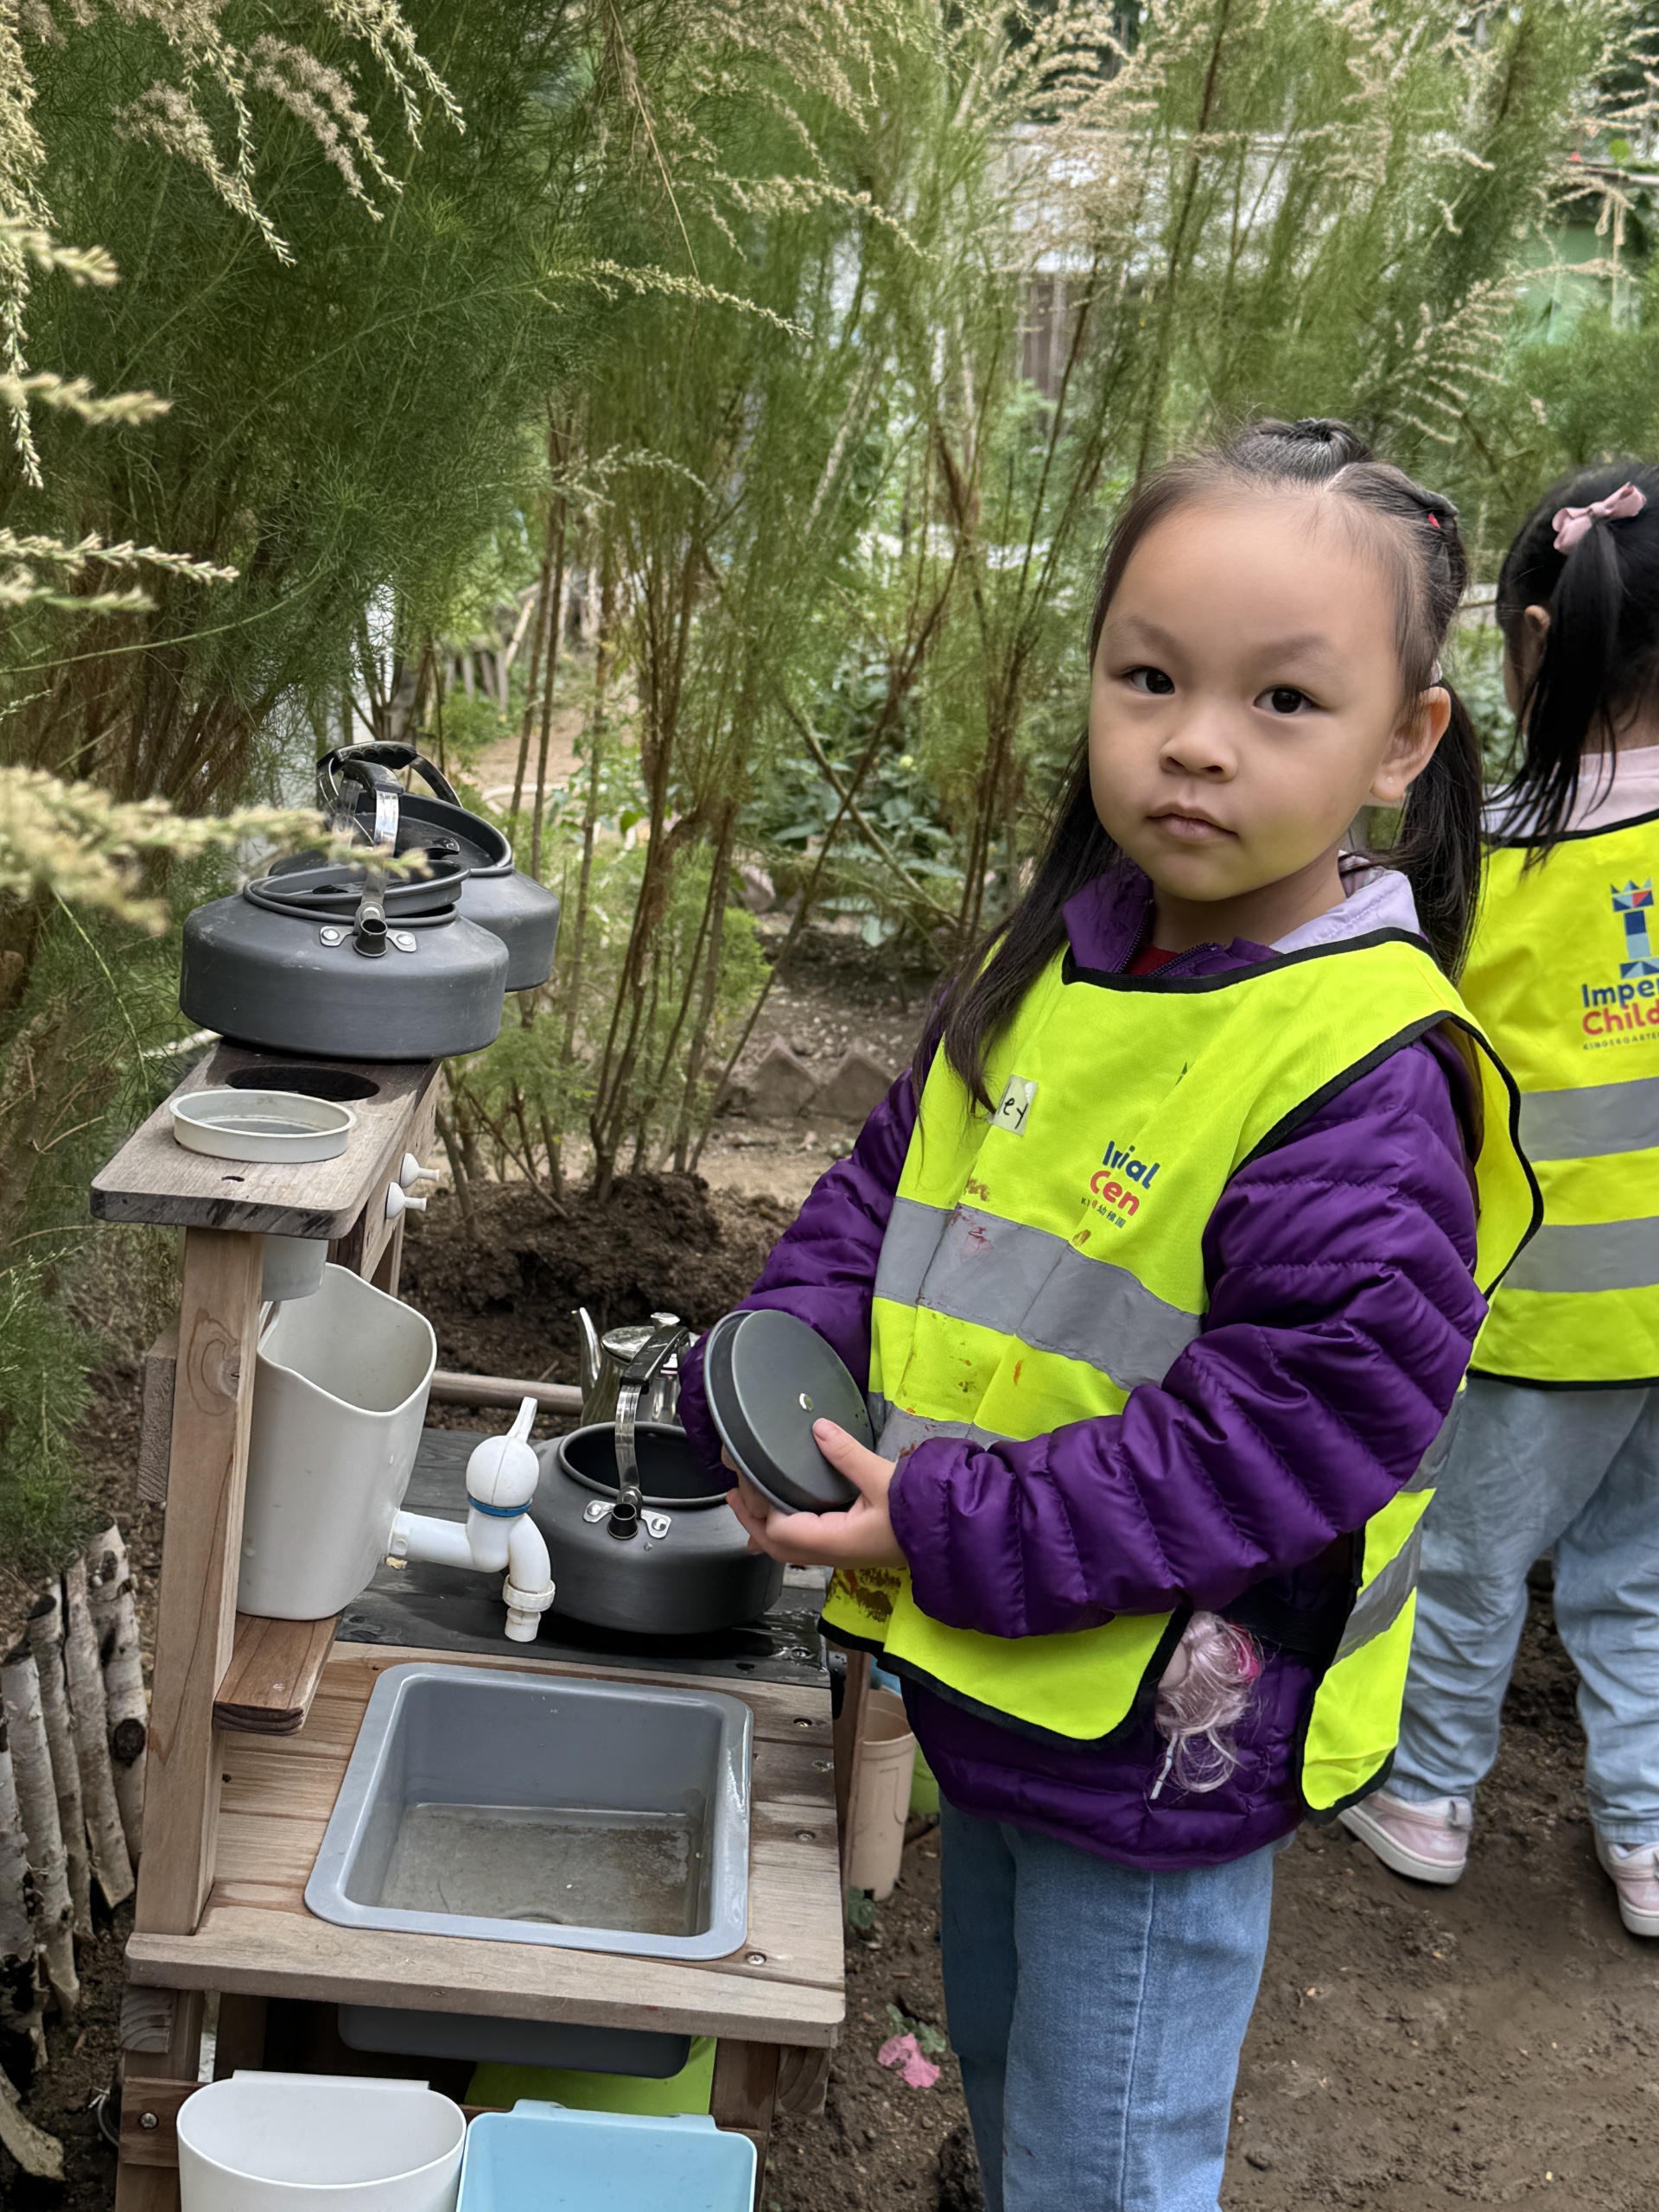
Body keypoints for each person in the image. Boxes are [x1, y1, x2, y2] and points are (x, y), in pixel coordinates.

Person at [677, 418, 1539, 2212]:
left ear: (1405, 740)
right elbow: (878, 1204)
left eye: (1283, 700)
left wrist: (945, 1518)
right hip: (999, 1662)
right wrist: (773, 1382)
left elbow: (1291, 1425)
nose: (1197, 740)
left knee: (1108, 2155)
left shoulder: (1358, 1067)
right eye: (1150, 677)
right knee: (1013, 2079)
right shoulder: (1062, 966)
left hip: (1167, 1734)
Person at [1341, 464, 1659, 1938]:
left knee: (1469, 1559)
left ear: (1532, 638)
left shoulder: (1495, 856)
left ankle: (1427, 1796)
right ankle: (1647, 1838)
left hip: (1541, 1312)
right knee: (1641, 1578)